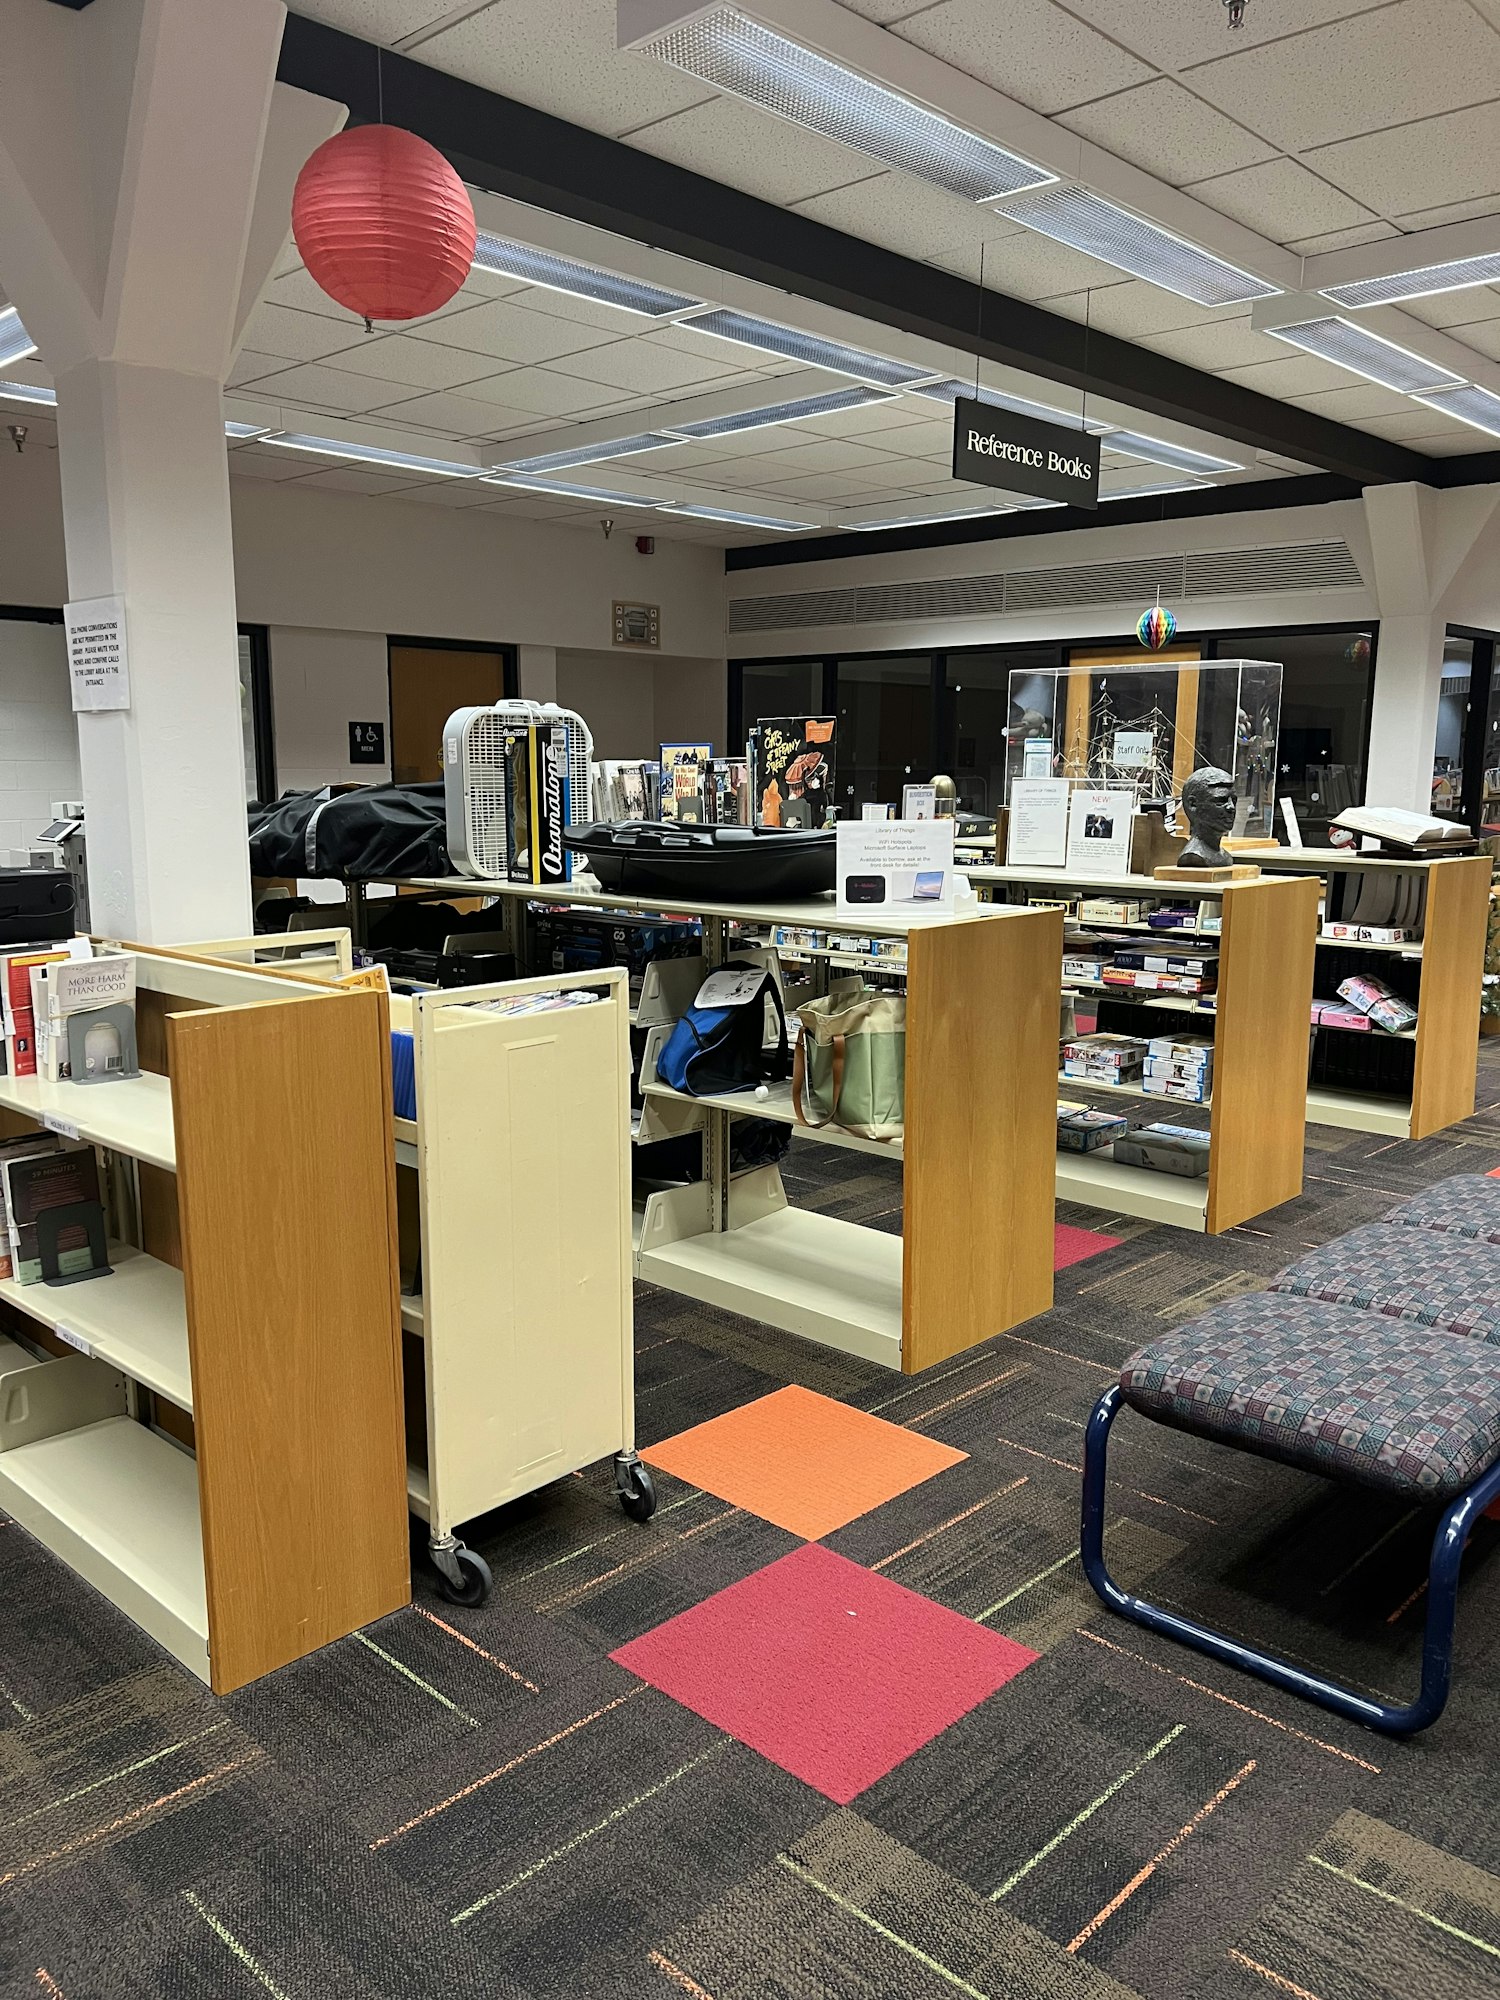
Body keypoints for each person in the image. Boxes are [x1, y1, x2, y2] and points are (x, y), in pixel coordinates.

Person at [1178, 766, 1236, 868]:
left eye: (1234, 801)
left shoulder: (1224, 856)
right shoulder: (1193, 856)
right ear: (1193, 804)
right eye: (1220, 801)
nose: (1231, 807)